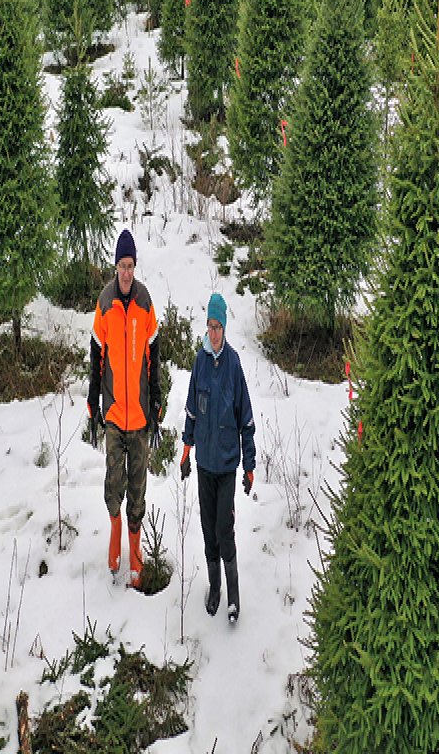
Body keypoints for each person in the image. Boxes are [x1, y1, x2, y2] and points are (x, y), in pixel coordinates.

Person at [88, 229, 163, 589]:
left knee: (138, 487)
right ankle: (115, 530)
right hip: (115, 413)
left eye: (131, 266)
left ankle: (135, 552)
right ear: (115, 266)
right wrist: (93, 403)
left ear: (135, 266)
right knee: (112, 483)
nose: (127, 272)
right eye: (122, 266)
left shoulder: (145, 302)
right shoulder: (105, 303)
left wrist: (157, 401)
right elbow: (96, 358)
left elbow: (154, 356)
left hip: (141, 415)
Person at [178, 292, 255, 624]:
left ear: (225, 327)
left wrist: (249, 467)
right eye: (209, 326)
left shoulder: (233, 365)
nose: (213, 333)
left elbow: (246, 420)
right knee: (208, 529)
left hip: (226, 465)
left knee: (225, 528)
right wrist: (186, 451)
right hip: (204, 465)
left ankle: (233, 596)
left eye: (218, 327)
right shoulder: (200, 362)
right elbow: (192, 412)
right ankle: (215, 587)